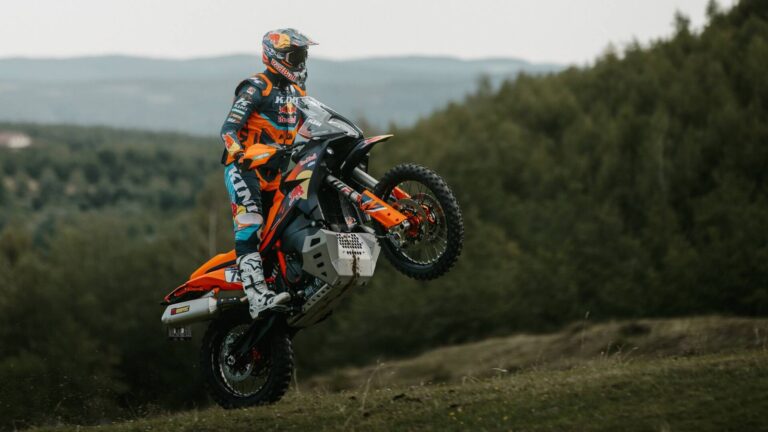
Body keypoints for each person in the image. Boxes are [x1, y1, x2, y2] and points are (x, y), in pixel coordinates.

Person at [220, 28, 316, 319]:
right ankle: (256, 298)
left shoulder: (297, 92)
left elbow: (308, 128)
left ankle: (290, 283)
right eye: (295, 56)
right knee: (251, 225)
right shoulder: (256, 87)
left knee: (286, 225)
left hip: (276, 174)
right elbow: (228, 129)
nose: (300, 62)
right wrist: (239, 153)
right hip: (246, 168)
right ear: (275, 56)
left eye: (302, 56)